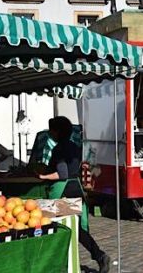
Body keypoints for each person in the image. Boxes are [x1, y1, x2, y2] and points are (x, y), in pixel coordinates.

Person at [38, 117, 110, 273]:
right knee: (76, 228)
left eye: (51, 130)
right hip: (75, 188)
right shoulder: (74, 146)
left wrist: (42, 177)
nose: (50, 133)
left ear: (56, 132)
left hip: (64, 191)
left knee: (63, 227)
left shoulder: (59, 149)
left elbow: (62, 173)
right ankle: (97, 256)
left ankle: (97, 256)